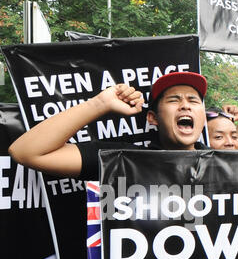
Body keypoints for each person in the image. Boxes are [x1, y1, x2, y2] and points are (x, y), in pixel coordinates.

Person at [8, 72, 208, 180]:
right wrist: (99, 104)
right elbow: (26, 152)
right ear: (152, 118)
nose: (185, 105)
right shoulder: (122, 162)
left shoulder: (228, 165)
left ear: (203, 117)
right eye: (174, 100)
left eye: (193, 100)